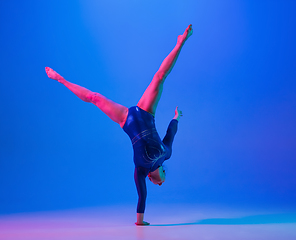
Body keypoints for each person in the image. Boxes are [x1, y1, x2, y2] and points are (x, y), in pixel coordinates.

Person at [45, 24, 193, 225]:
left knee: (94, 97)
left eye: (163, 176)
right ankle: (180, 42)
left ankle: (60, 80)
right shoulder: (166, 154)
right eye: (165, 172)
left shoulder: (141, 170)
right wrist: (176, 117)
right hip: (146, 113)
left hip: (127, 120)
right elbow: (170, 133)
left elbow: (141, 197)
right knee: (159, 77)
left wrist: (140, 222)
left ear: (153, 180)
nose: (165, 170)